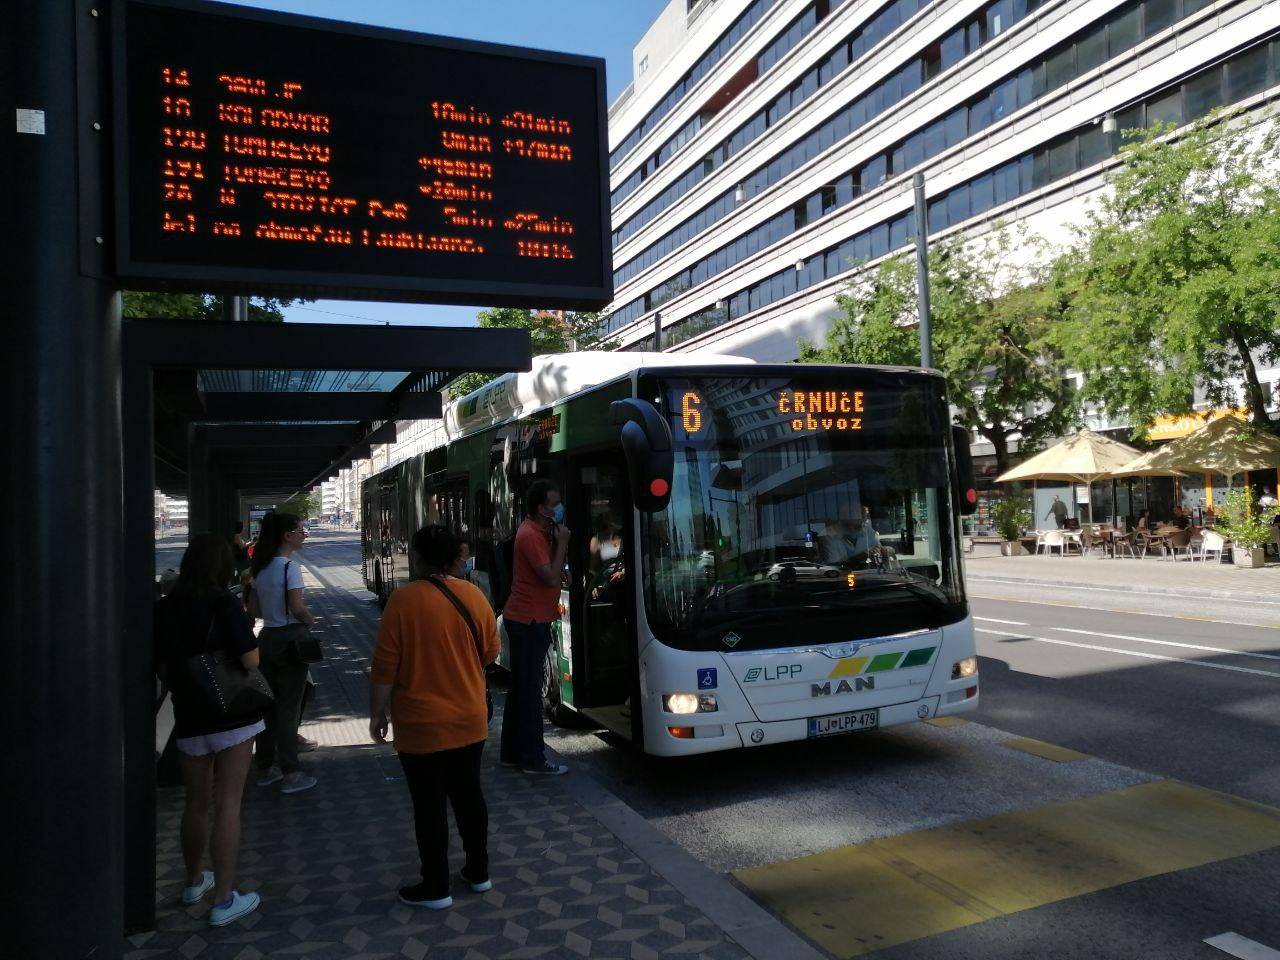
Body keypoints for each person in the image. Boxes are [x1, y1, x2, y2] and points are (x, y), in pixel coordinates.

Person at [370, 525, 500, 909]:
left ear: (418, 556)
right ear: (455, 556)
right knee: (469, 797)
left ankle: (436, 885)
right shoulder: (474, 596)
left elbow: (384, 668)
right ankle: (479, 872)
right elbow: (491, 652)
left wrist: (377, 714)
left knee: (429, 805)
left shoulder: (402, 602)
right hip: (469, 718)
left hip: (420, 725)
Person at [154, 533, 264, 927]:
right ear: (222, 566)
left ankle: (193, 881)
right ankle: (224, 899)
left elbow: (161, 667)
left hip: (189, 713)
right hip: (232, 714)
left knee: (196, 803)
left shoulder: (165, 606)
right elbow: (250, 660)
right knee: (228, 803)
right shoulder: (224, 601)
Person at [499, 480, 570, 776]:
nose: (559, 508)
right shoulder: (530, 534)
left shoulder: (541, 532)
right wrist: (563, 543)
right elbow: (549, 578)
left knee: (521, 690)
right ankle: (532, 759)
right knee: (529, 693)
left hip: (530, 618)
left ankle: (512, 753)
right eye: (555, 503)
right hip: (529, 621)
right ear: (542, 508)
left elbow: (554, 573)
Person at [248, 512, 318, 794]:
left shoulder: (260, 568)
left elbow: (254, 610)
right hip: (291, 640)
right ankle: (291, 772)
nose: (304, 534)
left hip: (266, 638)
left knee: (267, 706)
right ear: (287, 536)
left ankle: (265, 768)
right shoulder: (291, 568)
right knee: (288, 708)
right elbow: (297, 608)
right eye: (301, 530)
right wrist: (310, 620)